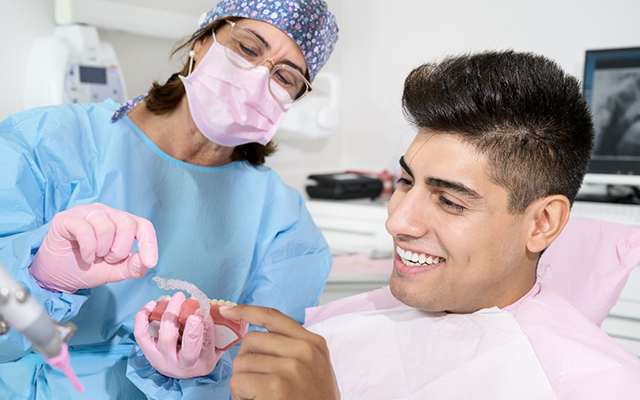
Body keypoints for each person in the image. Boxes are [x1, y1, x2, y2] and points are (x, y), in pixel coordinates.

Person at [217, 50, 640, 399]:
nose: (398, 222)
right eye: (406, 181)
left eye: (450, 201)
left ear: (542, 222)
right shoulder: (352, 322)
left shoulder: (599, 386)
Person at [0, 0, 338, 399]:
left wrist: (205, 371)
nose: (257, 79)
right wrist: (41, 278)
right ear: (202, 40)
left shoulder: (283, 221)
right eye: (248, 49)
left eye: (285, 76)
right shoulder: (48, 143)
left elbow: (266, 370)